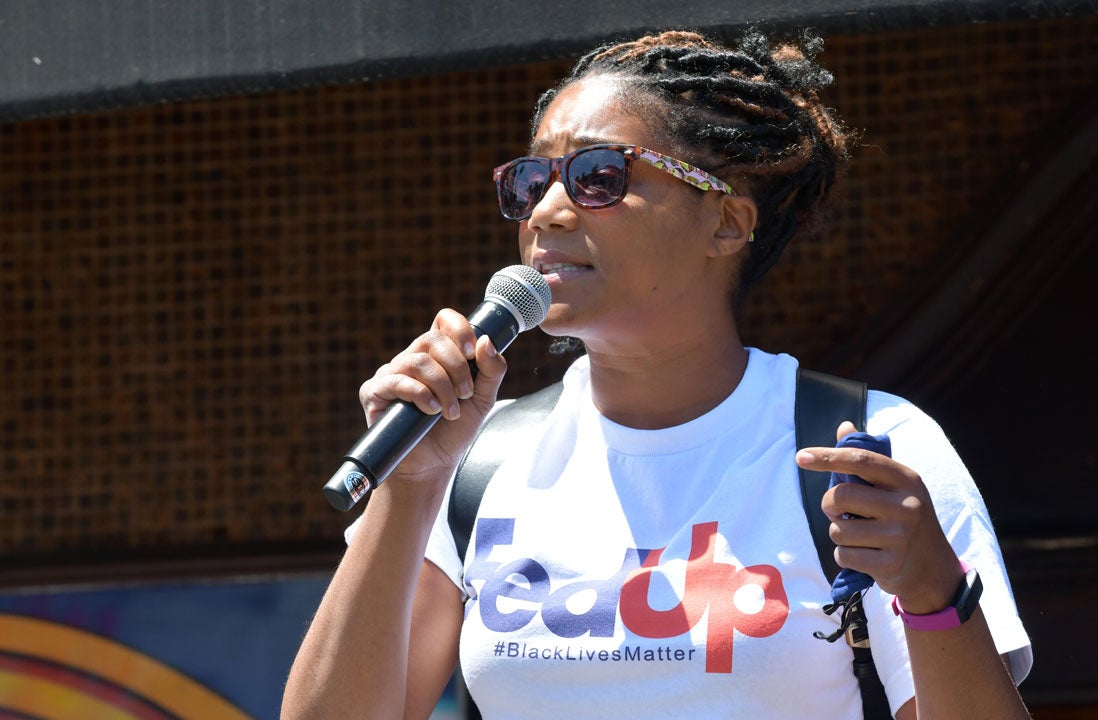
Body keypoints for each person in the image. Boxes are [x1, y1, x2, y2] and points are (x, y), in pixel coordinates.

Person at [282, 28, 1033, 720]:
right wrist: (407, 492)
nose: (545, 212)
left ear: (727, 223)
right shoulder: (474, 458)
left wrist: (935, 592)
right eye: (531, 180)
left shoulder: (870, 445)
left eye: (597, 177)